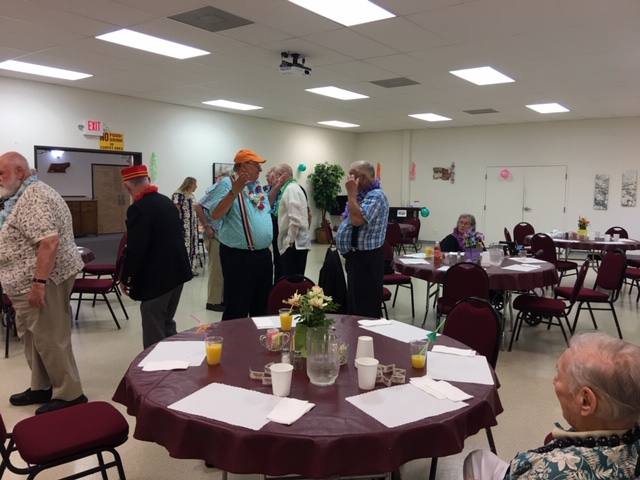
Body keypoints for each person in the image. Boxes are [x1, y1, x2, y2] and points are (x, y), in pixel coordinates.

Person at [463, 332, 640, 480]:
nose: (555, 381)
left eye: (559, 374)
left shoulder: (555, 471)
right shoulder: (630, 436)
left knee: (476, 459)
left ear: (586, 401)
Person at [0, 151, 87, 414]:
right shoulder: (20, 194)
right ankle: (42, 386)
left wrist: (39, 283)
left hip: (43, 281)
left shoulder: (33, 197)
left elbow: (49, 242)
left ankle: (69, 393)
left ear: (19, 171)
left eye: (1, 173)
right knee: (32, 337)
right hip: (24, 283)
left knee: (51, 337)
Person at [120, 165, 192, 348]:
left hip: (157, 276)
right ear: (149, 181)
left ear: (127, 187)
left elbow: (136, 248)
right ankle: (175, 356)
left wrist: (127, 278)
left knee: (152, 320)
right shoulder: (166, 201)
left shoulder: (138, 209)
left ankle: (156, 363)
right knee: (166, 319)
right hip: (178, 272)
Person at [211, 149, 273, 321]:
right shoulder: (227, 183)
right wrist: (234, 191)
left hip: (262, 256)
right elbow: (215, 214)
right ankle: (234, 338)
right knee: (237, 307)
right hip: (239, 258)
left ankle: (258, 337)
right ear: (244, 166)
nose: (260, 169)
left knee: (262, 306)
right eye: (257, 165)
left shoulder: (257, 187)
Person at [336, 160, 389, 318]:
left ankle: (366, 333)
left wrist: (351, 193)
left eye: (352, 175)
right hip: (356, 257)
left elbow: (357, 219)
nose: (349, 179)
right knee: (354, 305)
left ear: (364, 178)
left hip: (368, 260)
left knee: (365, 309)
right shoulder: (362, 195)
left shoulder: (377, 196)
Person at [194, 170, 230, 312]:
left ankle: (221, 299)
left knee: (222, 270)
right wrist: (206, 226)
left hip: (222, 235)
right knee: (216, 270)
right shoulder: (218, 188)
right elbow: (198, 205)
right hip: (214, 235)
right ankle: (213, 301)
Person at [273, 163, 311, 276]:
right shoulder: (294, 187)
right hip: (296, 243)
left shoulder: (290, 189)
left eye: (276, 176)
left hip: (294, 245)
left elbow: (295, 218)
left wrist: (289, 241)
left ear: (283, 175)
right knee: (295, 279)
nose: (274, 180)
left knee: (292, 280)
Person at [172, 176, 202, 276]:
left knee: (193, 246)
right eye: (195, 185)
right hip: (183, 227)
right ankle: (182, 270)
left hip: (192, 227)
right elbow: (175, 211)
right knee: (184, 247)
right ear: (189, 184)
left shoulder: (191, 196)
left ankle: (191, 268)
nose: (196, 187)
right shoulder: (179, 195)